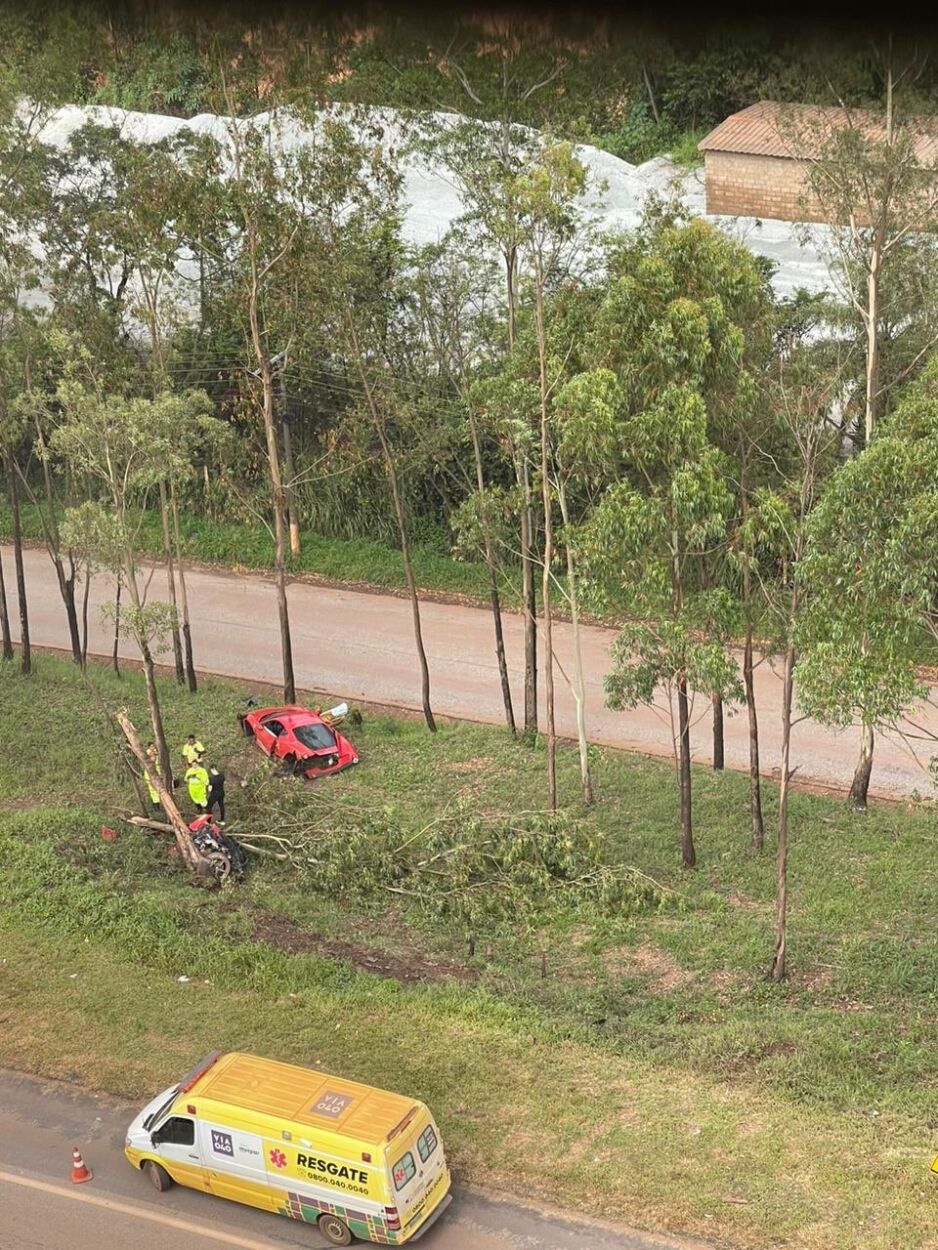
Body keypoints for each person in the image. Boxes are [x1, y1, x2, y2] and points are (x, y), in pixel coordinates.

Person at [143, 743, 162, 813]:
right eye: (151, 746)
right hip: (150, 777)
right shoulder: (148, 753)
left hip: (157, 775)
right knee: (153, 792)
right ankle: (156, 807)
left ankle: (158, 806)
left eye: (154, 746)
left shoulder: (156, 754)